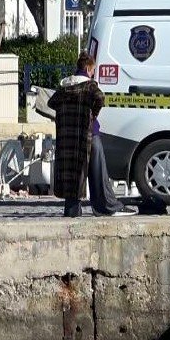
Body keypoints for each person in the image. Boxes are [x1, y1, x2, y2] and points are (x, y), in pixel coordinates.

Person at [48, 52, 136, 217]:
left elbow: (51, 102)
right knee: (98, 172)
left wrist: (68, 114)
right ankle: (107, 206)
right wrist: (92, 115)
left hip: (68, 136)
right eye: (93, 70)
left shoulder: (64, 86)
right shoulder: (89, 86)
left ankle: (72, 209)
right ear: (88, 68)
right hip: (89, 133)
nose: (93, 73)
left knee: (72, 172)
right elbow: (100, 98)